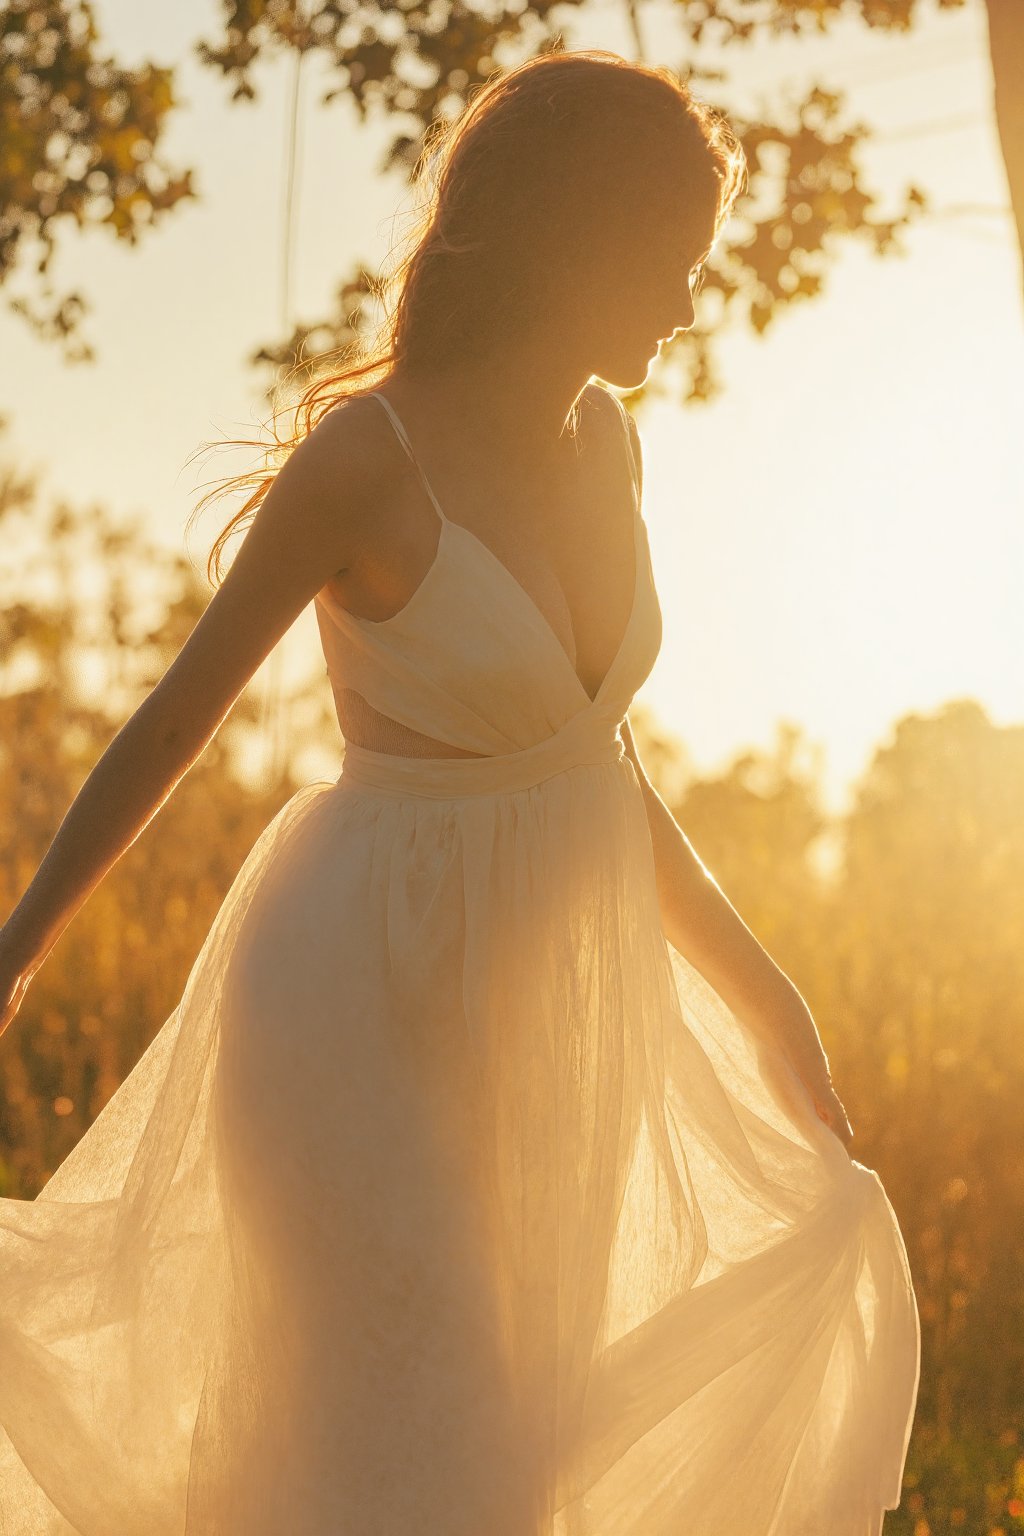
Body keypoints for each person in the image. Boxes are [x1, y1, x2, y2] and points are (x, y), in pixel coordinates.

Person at [0, 46, 919, 1536]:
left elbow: (599, 765)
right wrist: (21, 942)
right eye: (671, 263)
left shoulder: (609, 447)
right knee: (422, 1416)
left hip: (542, 1016)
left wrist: (770, 1001)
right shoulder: (369, 458)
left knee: (494, 1437)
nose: (690, 302)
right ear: (578, 236)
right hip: (355, 988)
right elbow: (174, 723)